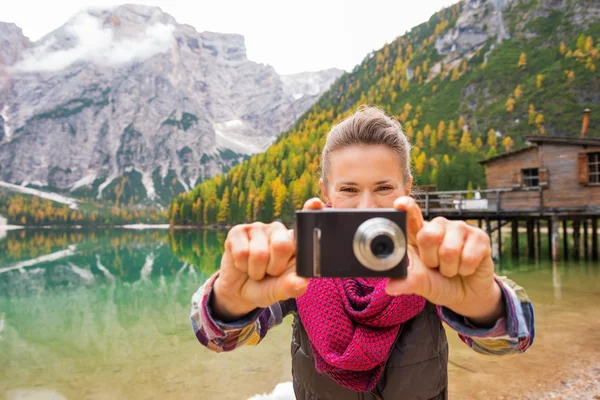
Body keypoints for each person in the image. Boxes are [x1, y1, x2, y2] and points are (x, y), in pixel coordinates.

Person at [190, 105, 535, 400]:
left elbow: (509, 342)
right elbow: (223, 339)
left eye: (384, 187)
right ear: (326, 192)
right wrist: (227, 304)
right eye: (349, 189)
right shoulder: (303, 258)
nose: (367, 206)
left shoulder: (431, 255)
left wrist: (483, 304)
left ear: (407, 188)